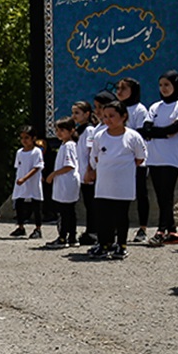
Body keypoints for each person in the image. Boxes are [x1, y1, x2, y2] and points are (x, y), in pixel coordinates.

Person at [85, 101, 147, 260]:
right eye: (105, 116)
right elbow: (95, 157)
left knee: (121, 216)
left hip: (123, 185)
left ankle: (121, 245)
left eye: (112, 116)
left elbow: (140, 158)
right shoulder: (100, 136)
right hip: (104, 185)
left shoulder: (132, 136)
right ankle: (104, 244)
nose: (108, 120)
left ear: (124, 116)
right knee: (103, 216)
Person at [142, 70, 178, 246]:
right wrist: (160, 133)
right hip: (154, 156)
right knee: (161, 195)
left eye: (167, 85)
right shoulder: (155, 107)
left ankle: (161, 230)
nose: (163, 88)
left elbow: (174, 129)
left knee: (167, 194)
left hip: (171, 156)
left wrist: (156, 133)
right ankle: (172, 231)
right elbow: (145, 129)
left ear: (175, 86)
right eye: (161, 85)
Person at [116, 77, 151, 243]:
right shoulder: (116, 109)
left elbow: (140, 134)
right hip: (118, 159)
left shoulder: (139, 109)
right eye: (118, 88)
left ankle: (143, 228)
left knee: (140, 193)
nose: (119, 92)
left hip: (135, 158)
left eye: (124, 89)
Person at [45, 116, 80, 248]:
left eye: (62, 130)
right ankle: (71, 237)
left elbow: (69, 165)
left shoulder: (69, 146)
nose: (59, 133)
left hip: (66, 181)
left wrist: (53, 174)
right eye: (57, 130)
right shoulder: (65, 145)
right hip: (65, 182)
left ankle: (63, 237)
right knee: (69, 211)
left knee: (65, 211)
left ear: (71, 131)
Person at [11, 126, 44, 239]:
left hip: (32, 183)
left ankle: (38, 228)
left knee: (36, 206)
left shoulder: (36, 152)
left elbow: (37, 167)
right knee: (19, 204)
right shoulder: (19, 152)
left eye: (27, 138)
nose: (24, 140)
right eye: (22, 138)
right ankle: (20, 227)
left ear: (33, 138)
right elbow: (18, 167)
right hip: (20, 183)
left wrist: (25, 178)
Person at [72, 100, 98, 246]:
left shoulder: (89, 130)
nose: (74, 116)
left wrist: (90, 170)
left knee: (91, 204)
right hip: (80, 172)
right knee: (88, 203)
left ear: (87, 114)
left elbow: (90, 152)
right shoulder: (78, 131)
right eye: (73, 113)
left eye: (77, 113)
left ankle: (93, 231)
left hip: (87, 173)